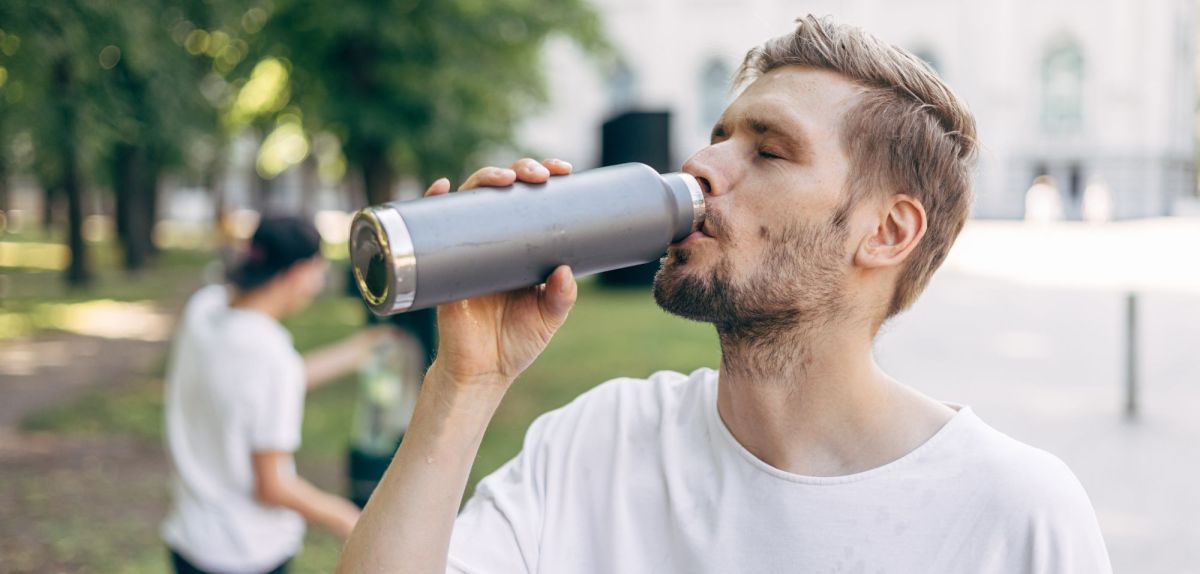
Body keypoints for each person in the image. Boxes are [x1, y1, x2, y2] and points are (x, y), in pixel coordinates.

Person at [338, 15, 1112, 574]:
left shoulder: (1014, 513)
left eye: (769, 150)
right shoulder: (595, 444)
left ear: (886, 232)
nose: (703, 162)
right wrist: (464, 384)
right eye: (720, 134)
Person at [162, 215, 380, 574]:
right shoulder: (269, 354)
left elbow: (262, 383)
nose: (318, 282)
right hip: (247, 554)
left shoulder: (205, 308)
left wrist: (355, 352)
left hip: (189, 541)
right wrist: (347, 518)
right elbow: (273, 486)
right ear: (295, 273)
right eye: (317, 270)